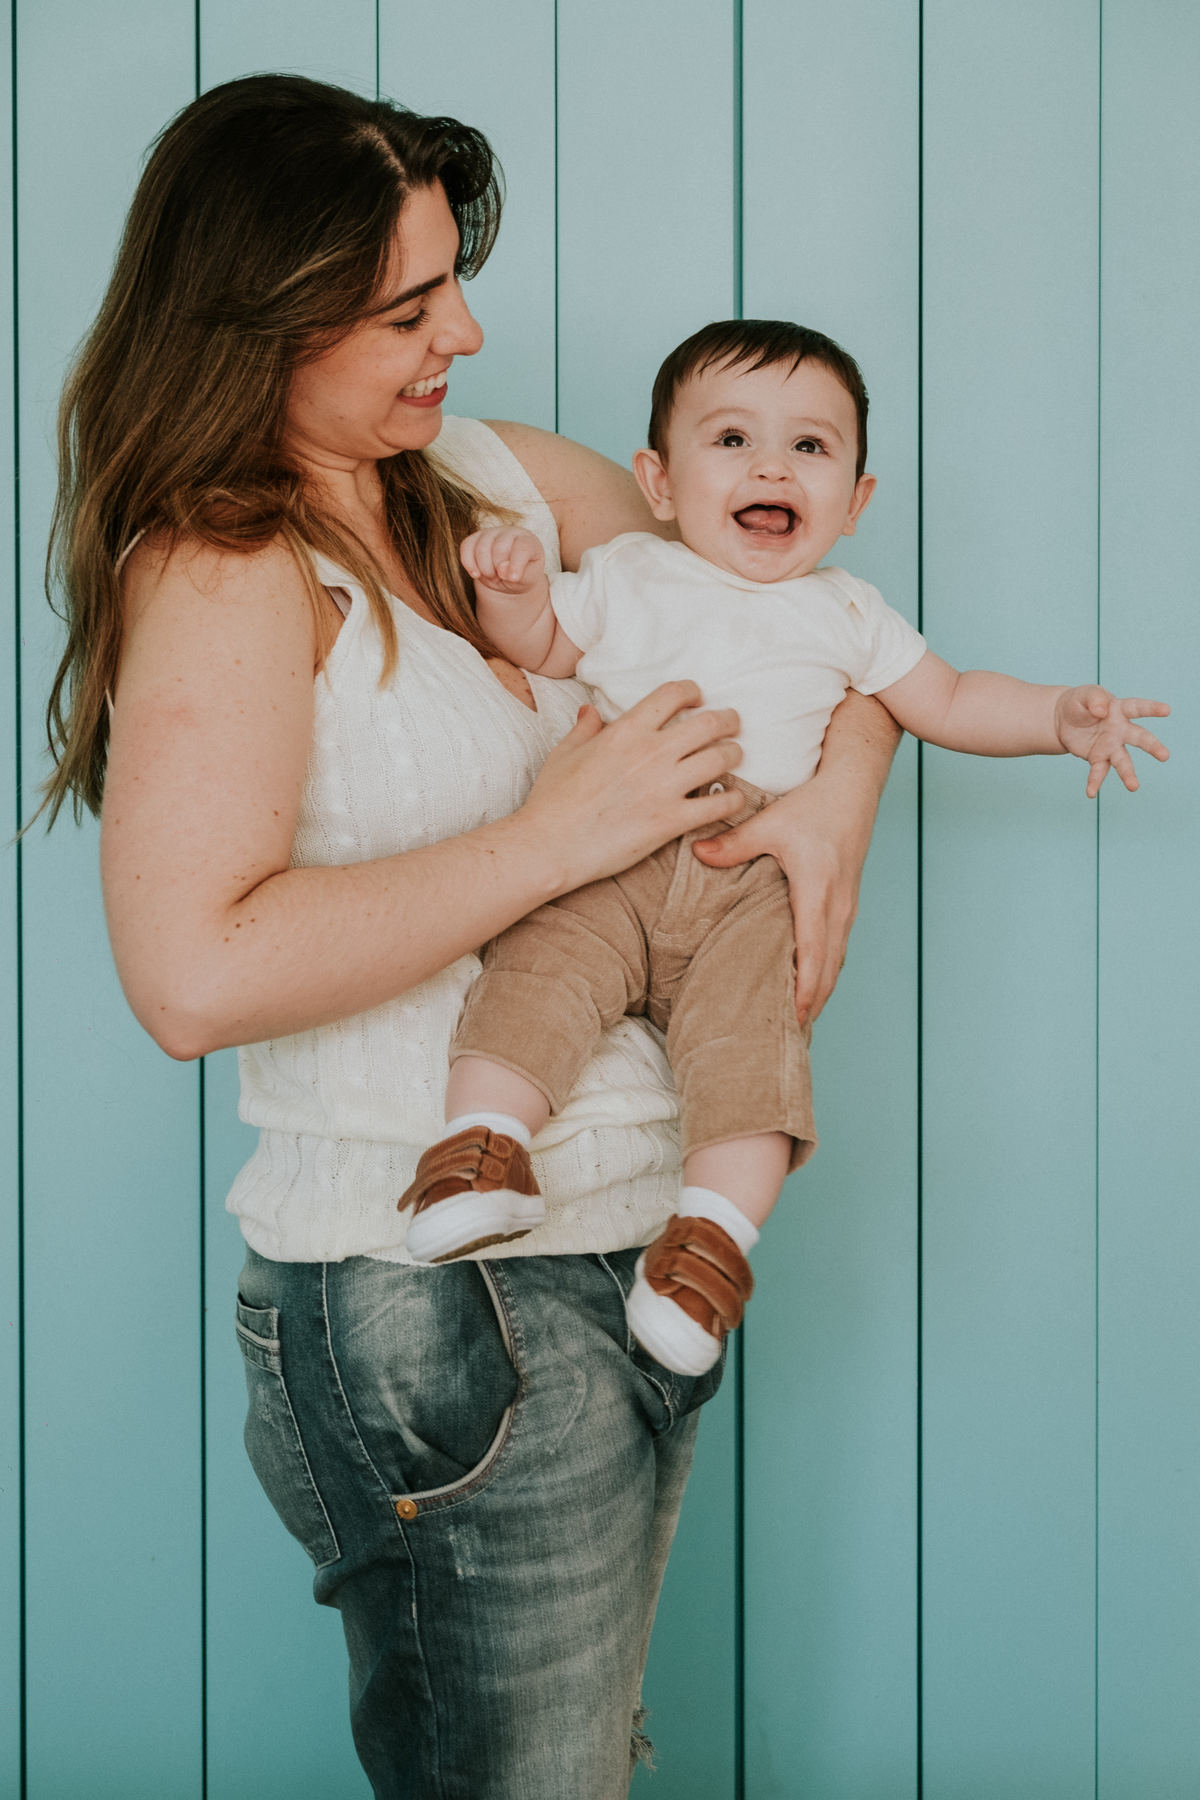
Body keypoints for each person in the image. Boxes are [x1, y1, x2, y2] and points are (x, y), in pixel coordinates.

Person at [44, 74, 903, 1800]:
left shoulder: (478, 472)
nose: (469, 329)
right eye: (409, 305)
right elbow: (191, 978)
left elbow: (796, 608)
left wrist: (837, 803)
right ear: (262, 323)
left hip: (620, 1260)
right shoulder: (223, 566)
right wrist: (553, 841)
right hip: (437, 1305)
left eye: (453, 280)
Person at [401, 318, 1170, 1379]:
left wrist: (1057, 718)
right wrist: (515, 589)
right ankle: (480, 1151)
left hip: (753, 877)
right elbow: (541, 644)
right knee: (538, 973)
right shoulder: (629, 570)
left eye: (811, 447)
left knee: (754, 1054)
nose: (772, 465)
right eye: (732, 440)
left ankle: (706, 1248)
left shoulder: (849, 613)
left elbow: (946, 698)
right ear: (658, 482)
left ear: (855, 500)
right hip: (618, 844)